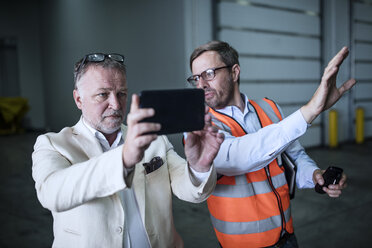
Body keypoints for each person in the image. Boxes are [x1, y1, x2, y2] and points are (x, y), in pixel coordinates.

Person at [32, 53, 224, 248]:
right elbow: (51, 194)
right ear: (79, 99)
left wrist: (199, 166)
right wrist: (123, 159)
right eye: (103, 94)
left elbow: (190, 191)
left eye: (121, 93)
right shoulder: (52, 144)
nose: (116, 105)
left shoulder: (154, 138)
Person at [186, 41, 356, 248]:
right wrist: (311, 110)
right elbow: (238, 157)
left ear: (234, 72)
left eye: (209, 73)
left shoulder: (269, 107)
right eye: (196, 77)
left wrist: (315, 175)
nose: (201, 84)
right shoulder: (199, 126)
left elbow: (294, 155)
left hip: (287, 237)